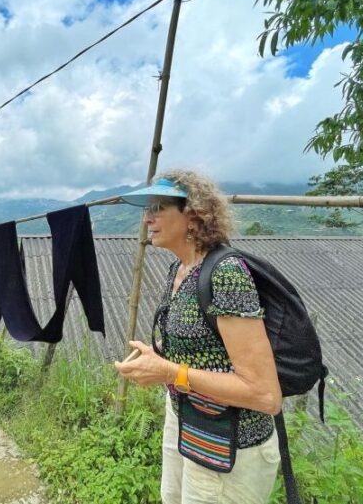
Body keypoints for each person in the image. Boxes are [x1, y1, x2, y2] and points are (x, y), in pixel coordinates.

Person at [114, 170, 282, 504]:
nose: (147, 218)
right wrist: (158, 355)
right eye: (147, 208)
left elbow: (266, 396)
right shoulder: (179, 270)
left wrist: (169, 373)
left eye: (159, 207)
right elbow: (204, 346)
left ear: (193, 216)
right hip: (186, 424)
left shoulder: (225, 275)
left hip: (231, 447)